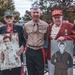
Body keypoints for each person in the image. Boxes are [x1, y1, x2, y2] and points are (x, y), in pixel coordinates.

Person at [47, 9, 75, 75]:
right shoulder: (49, 27)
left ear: (62, 17)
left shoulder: (69, 25)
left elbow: (74, 36)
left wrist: (65, 38)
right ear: (52, 18)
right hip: (52, 54)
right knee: (52, 72)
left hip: (64, 56)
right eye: (55, 18)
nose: (57, 19)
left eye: (59, 17)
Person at [24, 7, 49, 75]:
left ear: (40, 14)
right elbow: (26, 36)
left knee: (40, 70)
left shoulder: (45, 25)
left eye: (37, 12)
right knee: (30, 70)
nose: (35, 14)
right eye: (34, 12)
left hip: (40, 51)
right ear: (31, 14)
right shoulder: (26, 25)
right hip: (30, 50)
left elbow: (46, 37)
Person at [0, 10, 26, 75]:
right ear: (4, 19)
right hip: (5, 58)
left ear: (13, 18)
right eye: (7, 18)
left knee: (16, 73)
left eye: (10, 17)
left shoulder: (19, 28)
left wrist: (22, 47)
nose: (9, 19)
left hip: (17, 56)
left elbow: (24, 40)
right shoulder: (1, 29)